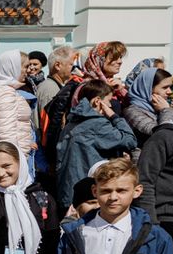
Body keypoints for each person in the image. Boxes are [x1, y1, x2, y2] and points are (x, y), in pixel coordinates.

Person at [55, 80, 137, 208]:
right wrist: (114, 116)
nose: (110, 105)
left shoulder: (72, 121)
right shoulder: (97, 124)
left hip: (68, 189)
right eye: (108, 101)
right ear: (97, 101)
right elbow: (130, 140)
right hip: (88, 194)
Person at [0, 50, 34, 156]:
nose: (28, 70)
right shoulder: (5, 94)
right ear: (13, 67)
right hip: (14, 157)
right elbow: (6, 135)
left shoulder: (0, 90)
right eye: (25, 66)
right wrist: (14, 159)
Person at [124, 64, 173, 144]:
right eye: (165, 87)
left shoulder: (160, 107)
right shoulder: (132, 112)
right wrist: (166, 110)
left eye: (170, 87)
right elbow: (161, 135)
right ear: (148, 88)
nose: (170, 92)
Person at [37, 45, 77, 111]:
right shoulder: (50, 89)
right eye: (72, 64)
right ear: (57, 66)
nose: (75, 69)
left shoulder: (53, 86)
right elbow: (48, 117)